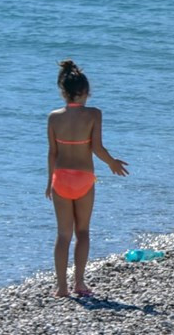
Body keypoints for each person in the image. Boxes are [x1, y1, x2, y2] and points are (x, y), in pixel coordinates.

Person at [46, 60, 129, 298]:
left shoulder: (53, 117)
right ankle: (79, 284)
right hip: (83, 179)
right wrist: (112, 162)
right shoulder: (94, 114)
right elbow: (97, 148)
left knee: (63, 234)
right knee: (82, 231)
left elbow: (52, 152)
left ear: (63, 91)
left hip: (60, 178)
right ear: (86, 92)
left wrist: (48, 182)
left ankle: (61, 288)